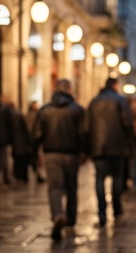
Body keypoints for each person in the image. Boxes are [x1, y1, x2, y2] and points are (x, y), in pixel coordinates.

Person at [33, 79, 85, 241]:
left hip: (51, 154)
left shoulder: (44, 110)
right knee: (71, 187)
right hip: (71, 154)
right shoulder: (77, 110)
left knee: (55, 187)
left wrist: (34, 154)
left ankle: (57, 215)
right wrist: (85, 151)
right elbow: (83, 133)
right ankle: (70, 220)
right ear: (70, 90)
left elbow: (36, 134)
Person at [85, 77, 134, 227]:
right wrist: (128, 141)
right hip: (117, 147)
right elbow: (128, 122)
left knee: (100, 179)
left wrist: (89, 146)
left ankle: (101, 213)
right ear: (114, 85)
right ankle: (117, 209)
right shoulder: (120, 100)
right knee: (117, 177)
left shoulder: (94, 101)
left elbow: (86, 127)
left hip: (98, 148)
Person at [25, 101, 46, 183]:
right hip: (36, 140)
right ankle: (39, 174)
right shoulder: (37, 115)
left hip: (33, 140)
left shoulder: (29, 115)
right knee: (39, 158)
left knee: (37, 158)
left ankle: (38, 173)